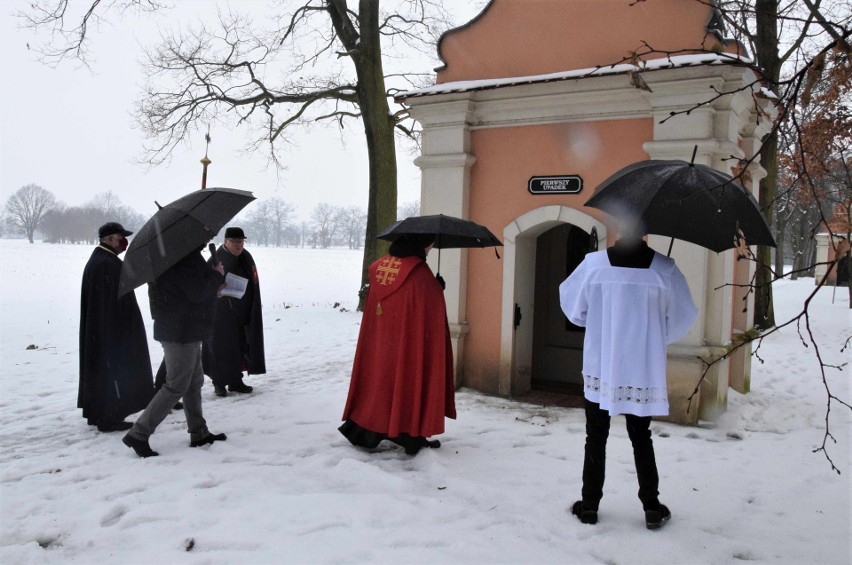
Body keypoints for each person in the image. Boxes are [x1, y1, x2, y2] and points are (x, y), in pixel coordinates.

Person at [559, 226, 697, 530]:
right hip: (641, 367)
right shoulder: (664, 269)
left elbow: (573, 308)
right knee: (641, 436)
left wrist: (599, 325)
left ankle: (589, 505)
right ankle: (651, 506)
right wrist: (656, 337)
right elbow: (682, 317)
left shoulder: (593, 265)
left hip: (602, 362)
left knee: (595, 434)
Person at [339, 234, 456, 456]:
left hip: (381, 340)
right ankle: (408, 432)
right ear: (420, 244)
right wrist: (436, 288)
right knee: (407, 380)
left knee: (378, 379)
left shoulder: (381, 266)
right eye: (430, 243)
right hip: (409, 344)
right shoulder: (419, 272)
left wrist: (433, 288)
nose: (431, 247)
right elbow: (428, 310)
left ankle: (366, 427)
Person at [122, 245, 228, 457]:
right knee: (176, 385)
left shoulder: (176, 255)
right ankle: (139, 433)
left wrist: (212, 279)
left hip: (186, 328)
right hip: (180, 331)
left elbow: (191, 290)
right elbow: (197, 291)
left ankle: (199, 432)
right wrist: (216, 275)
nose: (208, 236)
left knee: (194, 382)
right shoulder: (180, 257)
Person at [79, 222, 155, 432]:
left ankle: (100, 413)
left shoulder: (103, 260)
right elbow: (113, 300)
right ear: (110, 239)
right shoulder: (106, 263)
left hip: (104, 328)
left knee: (104, 371)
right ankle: (108, 416)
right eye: (121, 237)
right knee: (112, 372)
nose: (124, 242)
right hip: (111, 330)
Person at [203, 227, 266, 397]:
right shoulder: (217, 259)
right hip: (220, 313)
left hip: (241, 312)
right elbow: (205, 286)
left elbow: (253, 281)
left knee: (238, 347)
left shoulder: (246, 257)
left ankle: (235, 381)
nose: (239, 246)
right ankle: (219, 383)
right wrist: (218, 289)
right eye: (235, 242)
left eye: (241, 242)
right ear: (225, 241)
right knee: (219, 348)